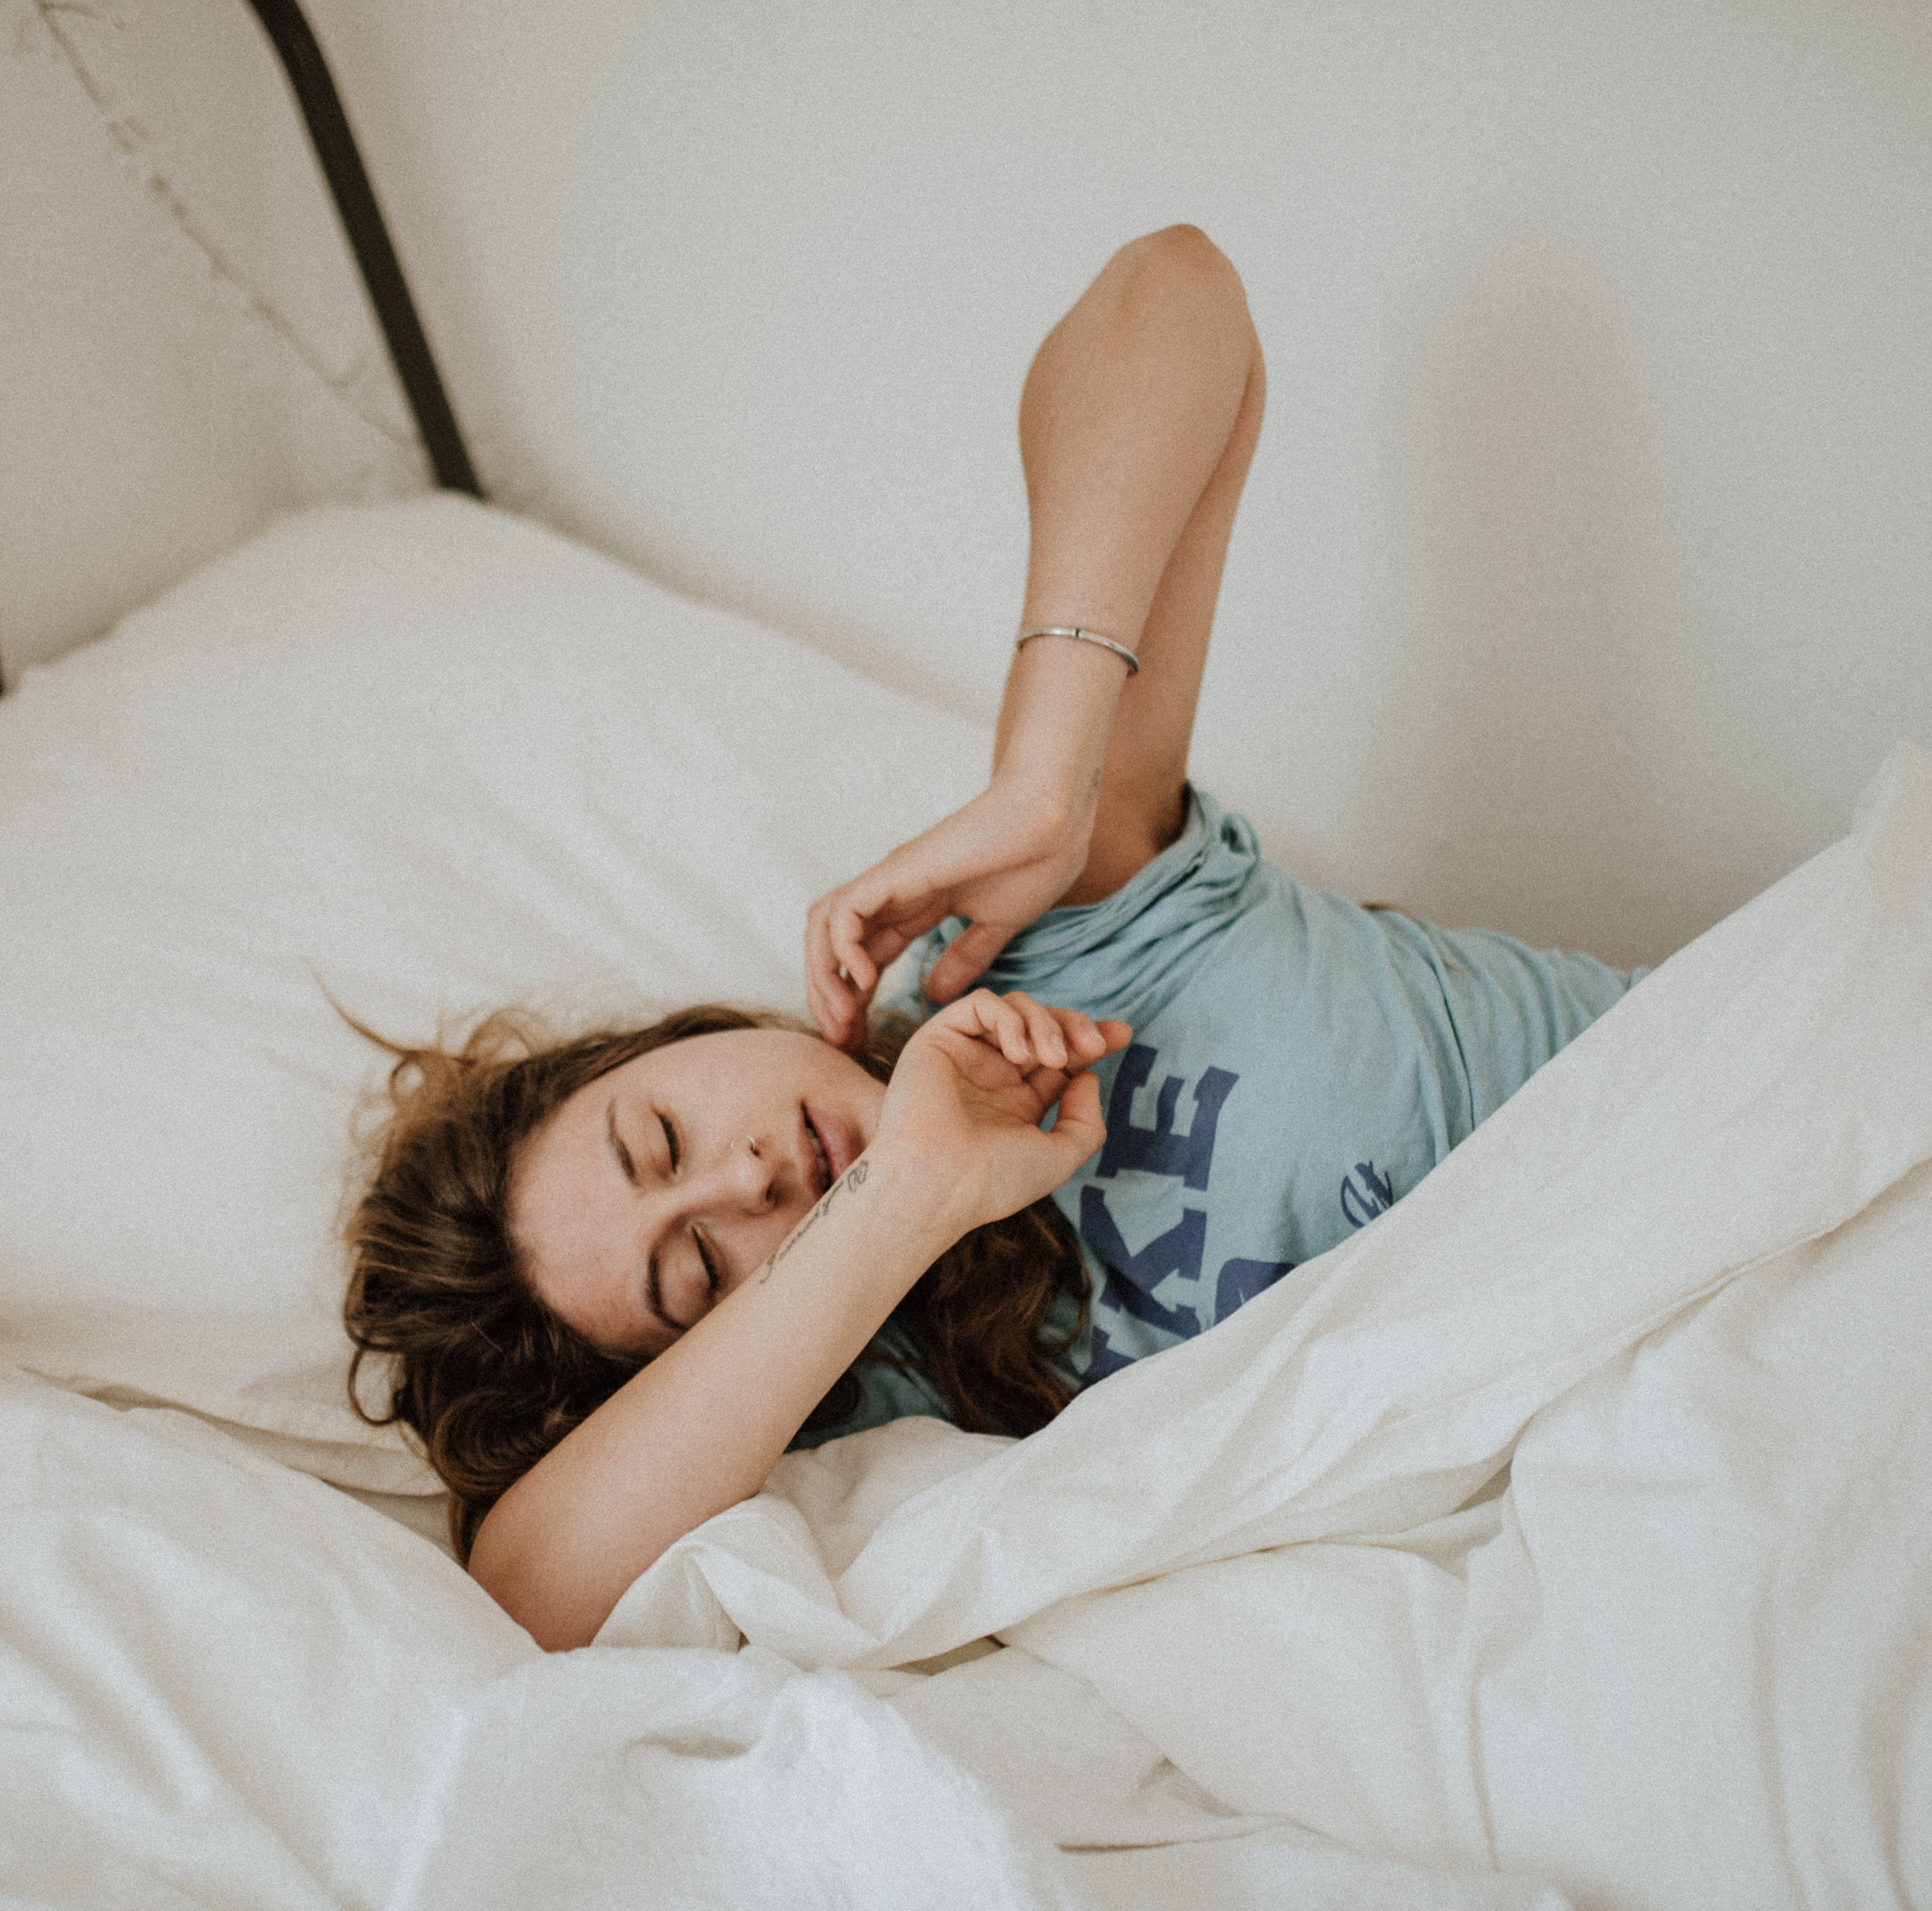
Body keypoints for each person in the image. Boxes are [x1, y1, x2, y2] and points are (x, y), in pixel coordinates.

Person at [343, 227, 1643, 1652]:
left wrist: (1043, 776)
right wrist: (900, 1199)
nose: (747, 1177)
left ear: (688, 1042)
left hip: (1724, 1129)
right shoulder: (893, 1405)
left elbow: (1175, 296)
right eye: (700, 1269)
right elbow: (533, 1594)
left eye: (662, 1138)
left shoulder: (1054, 943)